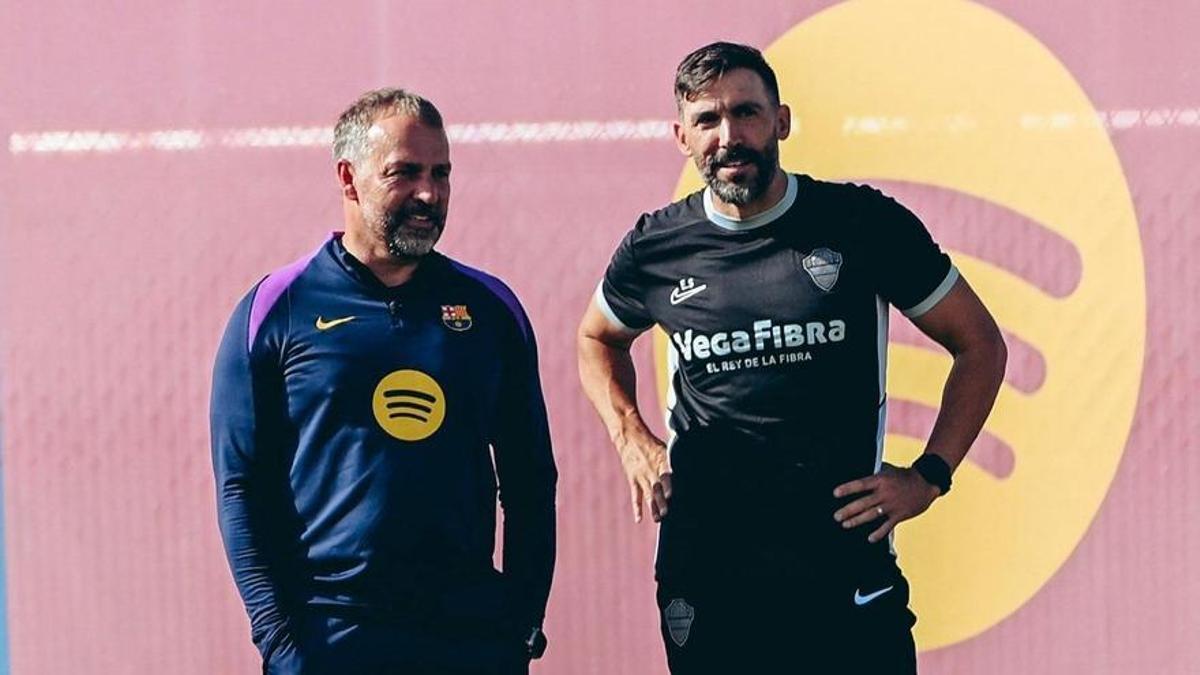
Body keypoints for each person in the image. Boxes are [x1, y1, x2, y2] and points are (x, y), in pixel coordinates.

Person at [577, 42, 1007, 673]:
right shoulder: (655, 249)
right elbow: (596, 339)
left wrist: (929, 477)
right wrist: (630, 435)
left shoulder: (862, 223)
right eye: (707, 121)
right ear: (681, 137)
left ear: (781, 121)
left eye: (747, 114)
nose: (730, 136)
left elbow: (980, 345)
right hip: (709, 568)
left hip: (843, 567)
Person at [211, 88, 556, 674]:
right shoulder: (274, 310)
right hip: (330, 637)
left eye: (441, 173)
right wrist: (278, 640)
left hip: (467, 638)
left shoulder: (491, 310)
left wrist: (520, 620)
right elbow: (240, 486)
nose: (430, 193)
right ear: (349, 178)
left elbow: (529, 479)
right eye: (405, 173)